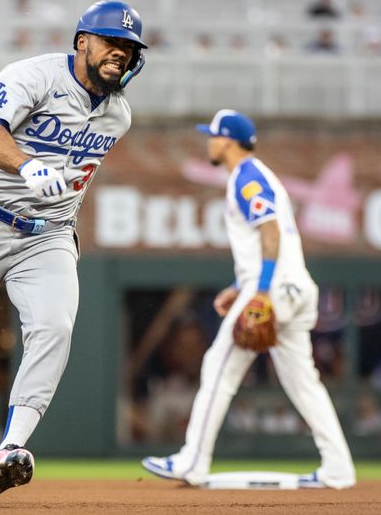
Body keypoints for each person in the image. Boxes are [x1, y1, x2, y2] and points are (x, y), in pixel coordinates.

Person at [0, 0, 147, 498]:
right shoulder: (32, 76)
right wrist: (29, 165)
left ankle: (9, 449)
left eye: (128, 47)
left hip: (50, 235)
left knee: (54, 327)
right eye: (110, 42)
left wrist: (56, 202)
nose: (119, 53)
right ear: (82, 41)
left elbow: (76, 176)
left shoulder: (118, 116)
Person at [142, 110, 355, 489]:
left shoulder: (247, 176)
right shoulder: (255, 175)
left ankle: (192, 461)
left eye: (212, 135)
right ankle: (338, 468)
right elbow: (272, 241)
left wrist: (258, 290)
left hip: (272, 287)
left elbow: (270, 230)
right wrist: (242, 286)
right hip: (294, 287)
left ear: (227, 140)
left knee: (217, 368)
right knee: (304, 382)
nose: (209, 141)